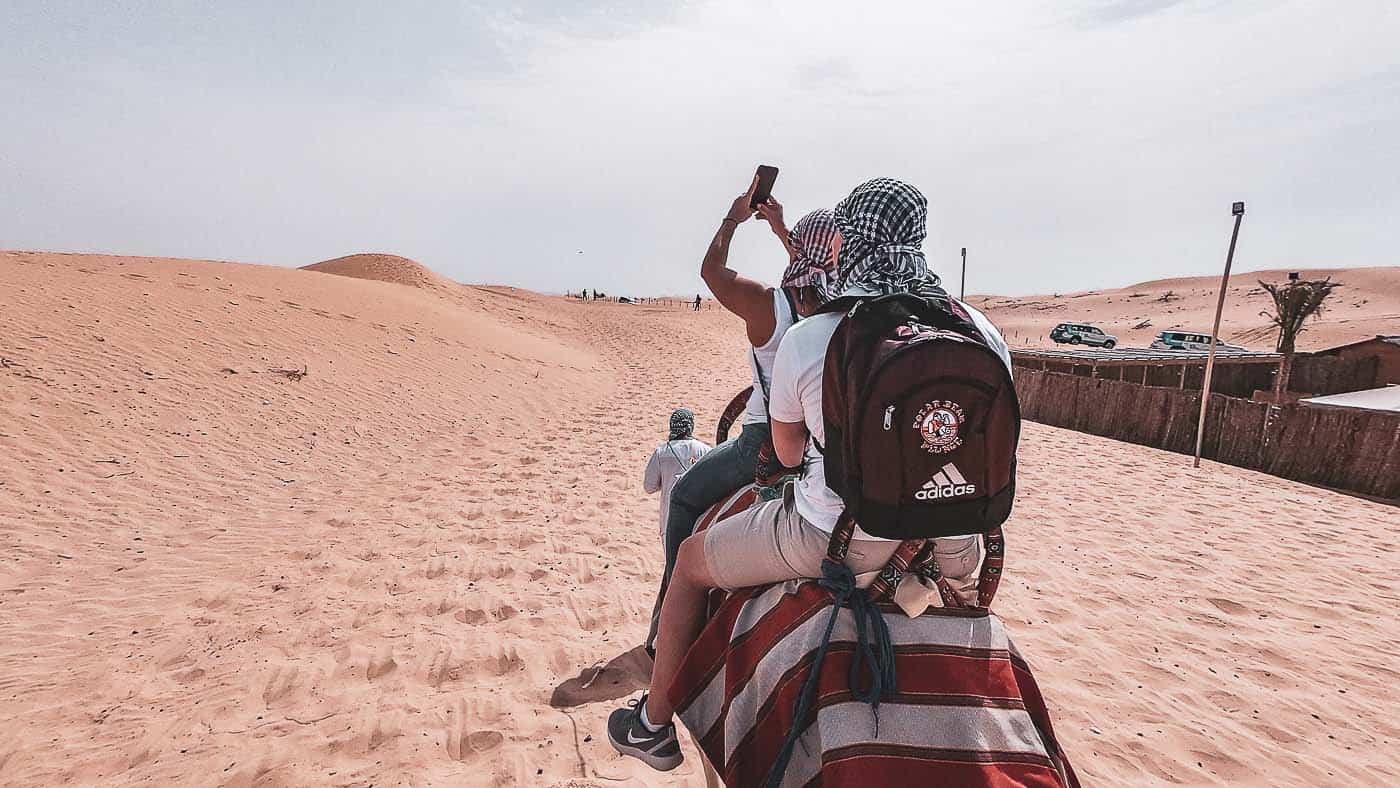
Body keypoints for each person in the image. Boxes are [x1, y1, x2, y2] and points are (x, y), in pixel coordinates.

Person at [608, 178, 1012, 772]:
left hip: (833, 538)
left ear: (850, 240)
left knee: (692, 562)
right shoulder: (978, 328)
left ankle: (653, 725)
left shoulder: (815, 334)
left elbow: (789, 454)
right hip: (956, 545)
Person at [642, 189, 840, 657]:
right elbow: (814, 266)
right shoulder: (843, 307)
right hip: (826, 445)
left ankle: (671, 608)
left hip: (763, 444)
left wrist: (733, 219)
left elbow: (711, 272)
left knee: (685, 495)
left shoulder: (768, 304)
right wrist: (782, 229)